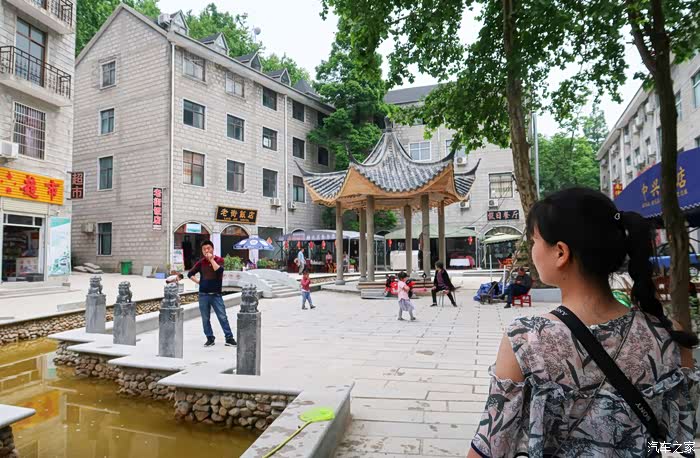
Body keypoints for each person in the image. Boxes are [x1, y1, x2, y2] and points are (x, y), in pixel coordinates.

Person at [468, 187, 699, 458]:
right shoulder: (669, 337)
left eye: (534, 241)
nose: (532, 250)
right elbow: (679, 445)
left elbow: (490, 448)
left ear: (560, 252)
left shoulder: (527, 339)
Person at [188, 240, 236, 348]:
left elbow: (219, 271)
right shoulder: (200, 263)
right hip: (203, 295)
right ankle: (210, 338)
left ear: (212, 249)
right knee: (205, 318)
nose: (206, 251)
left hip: (216, 295)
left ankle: (229, 338)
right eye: (204, 249)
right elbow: (190, 274)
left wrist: (211, 260)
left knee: (222, 317)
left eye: (208, 248)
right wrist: (198, 282)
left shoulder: (219, 260)